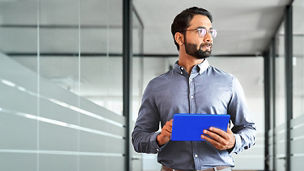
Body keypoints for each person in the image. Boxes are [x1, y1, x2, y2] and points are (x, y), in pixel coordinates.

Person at [131, 7, 256, 171]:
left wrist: (234, 141)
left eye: (211, 31)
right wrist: (160, 138)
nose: (209, 38)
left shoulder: (229, 82)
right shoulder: (156, 87)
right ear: (180, 38)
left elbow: (249, 130)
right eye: (201, 31)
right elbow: (138, 138)